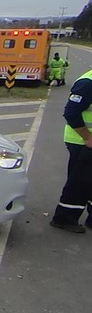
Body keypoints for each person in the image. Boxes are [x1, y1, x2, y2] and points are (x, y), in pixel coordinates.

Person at [50, 69, 92, 233]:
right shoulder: (87, 83)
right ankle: (64, 218)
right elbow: (71, 112)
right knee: (79, 182)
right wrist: (87, 137)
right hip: (82, 142)